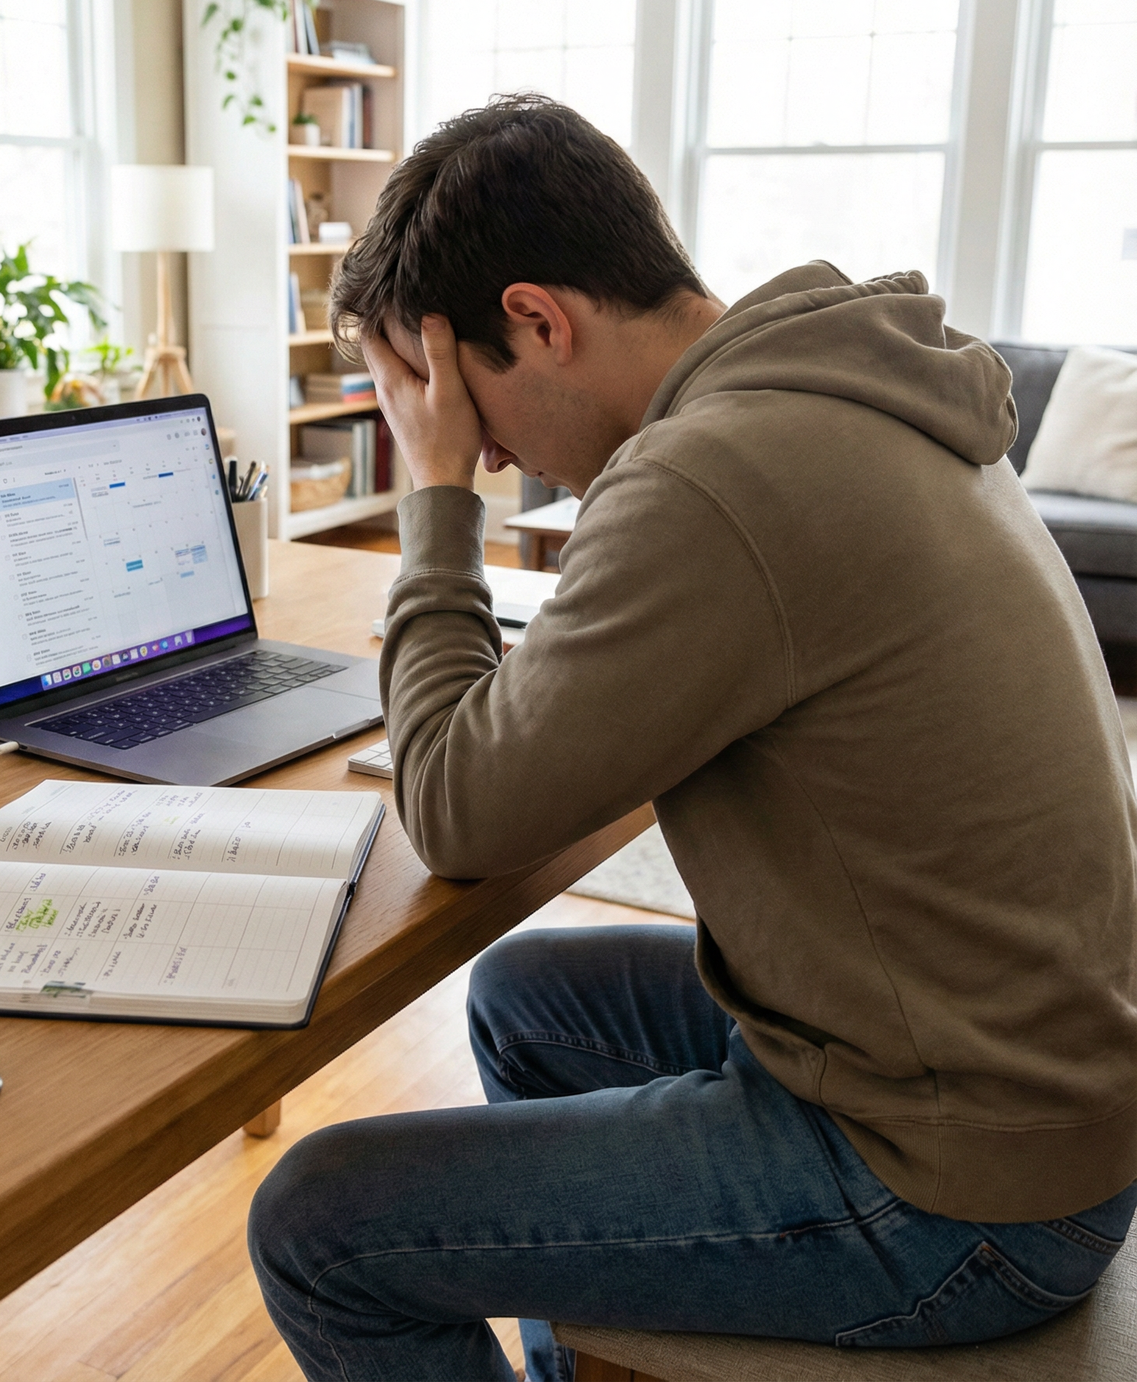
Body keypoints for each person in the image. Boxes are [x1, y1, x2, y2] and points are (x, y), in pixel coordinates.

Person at [246, 94, 1137, 1382]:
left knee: (318, 1223)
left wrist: (429, 495)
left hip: (958, 1193)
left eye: (463, 405)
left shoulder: (707, 478)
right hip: (1026, 1085)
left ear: (539, 321)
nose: (483, 453)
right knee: (521, 998)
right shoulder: (847, 385)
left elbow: (452, 808)